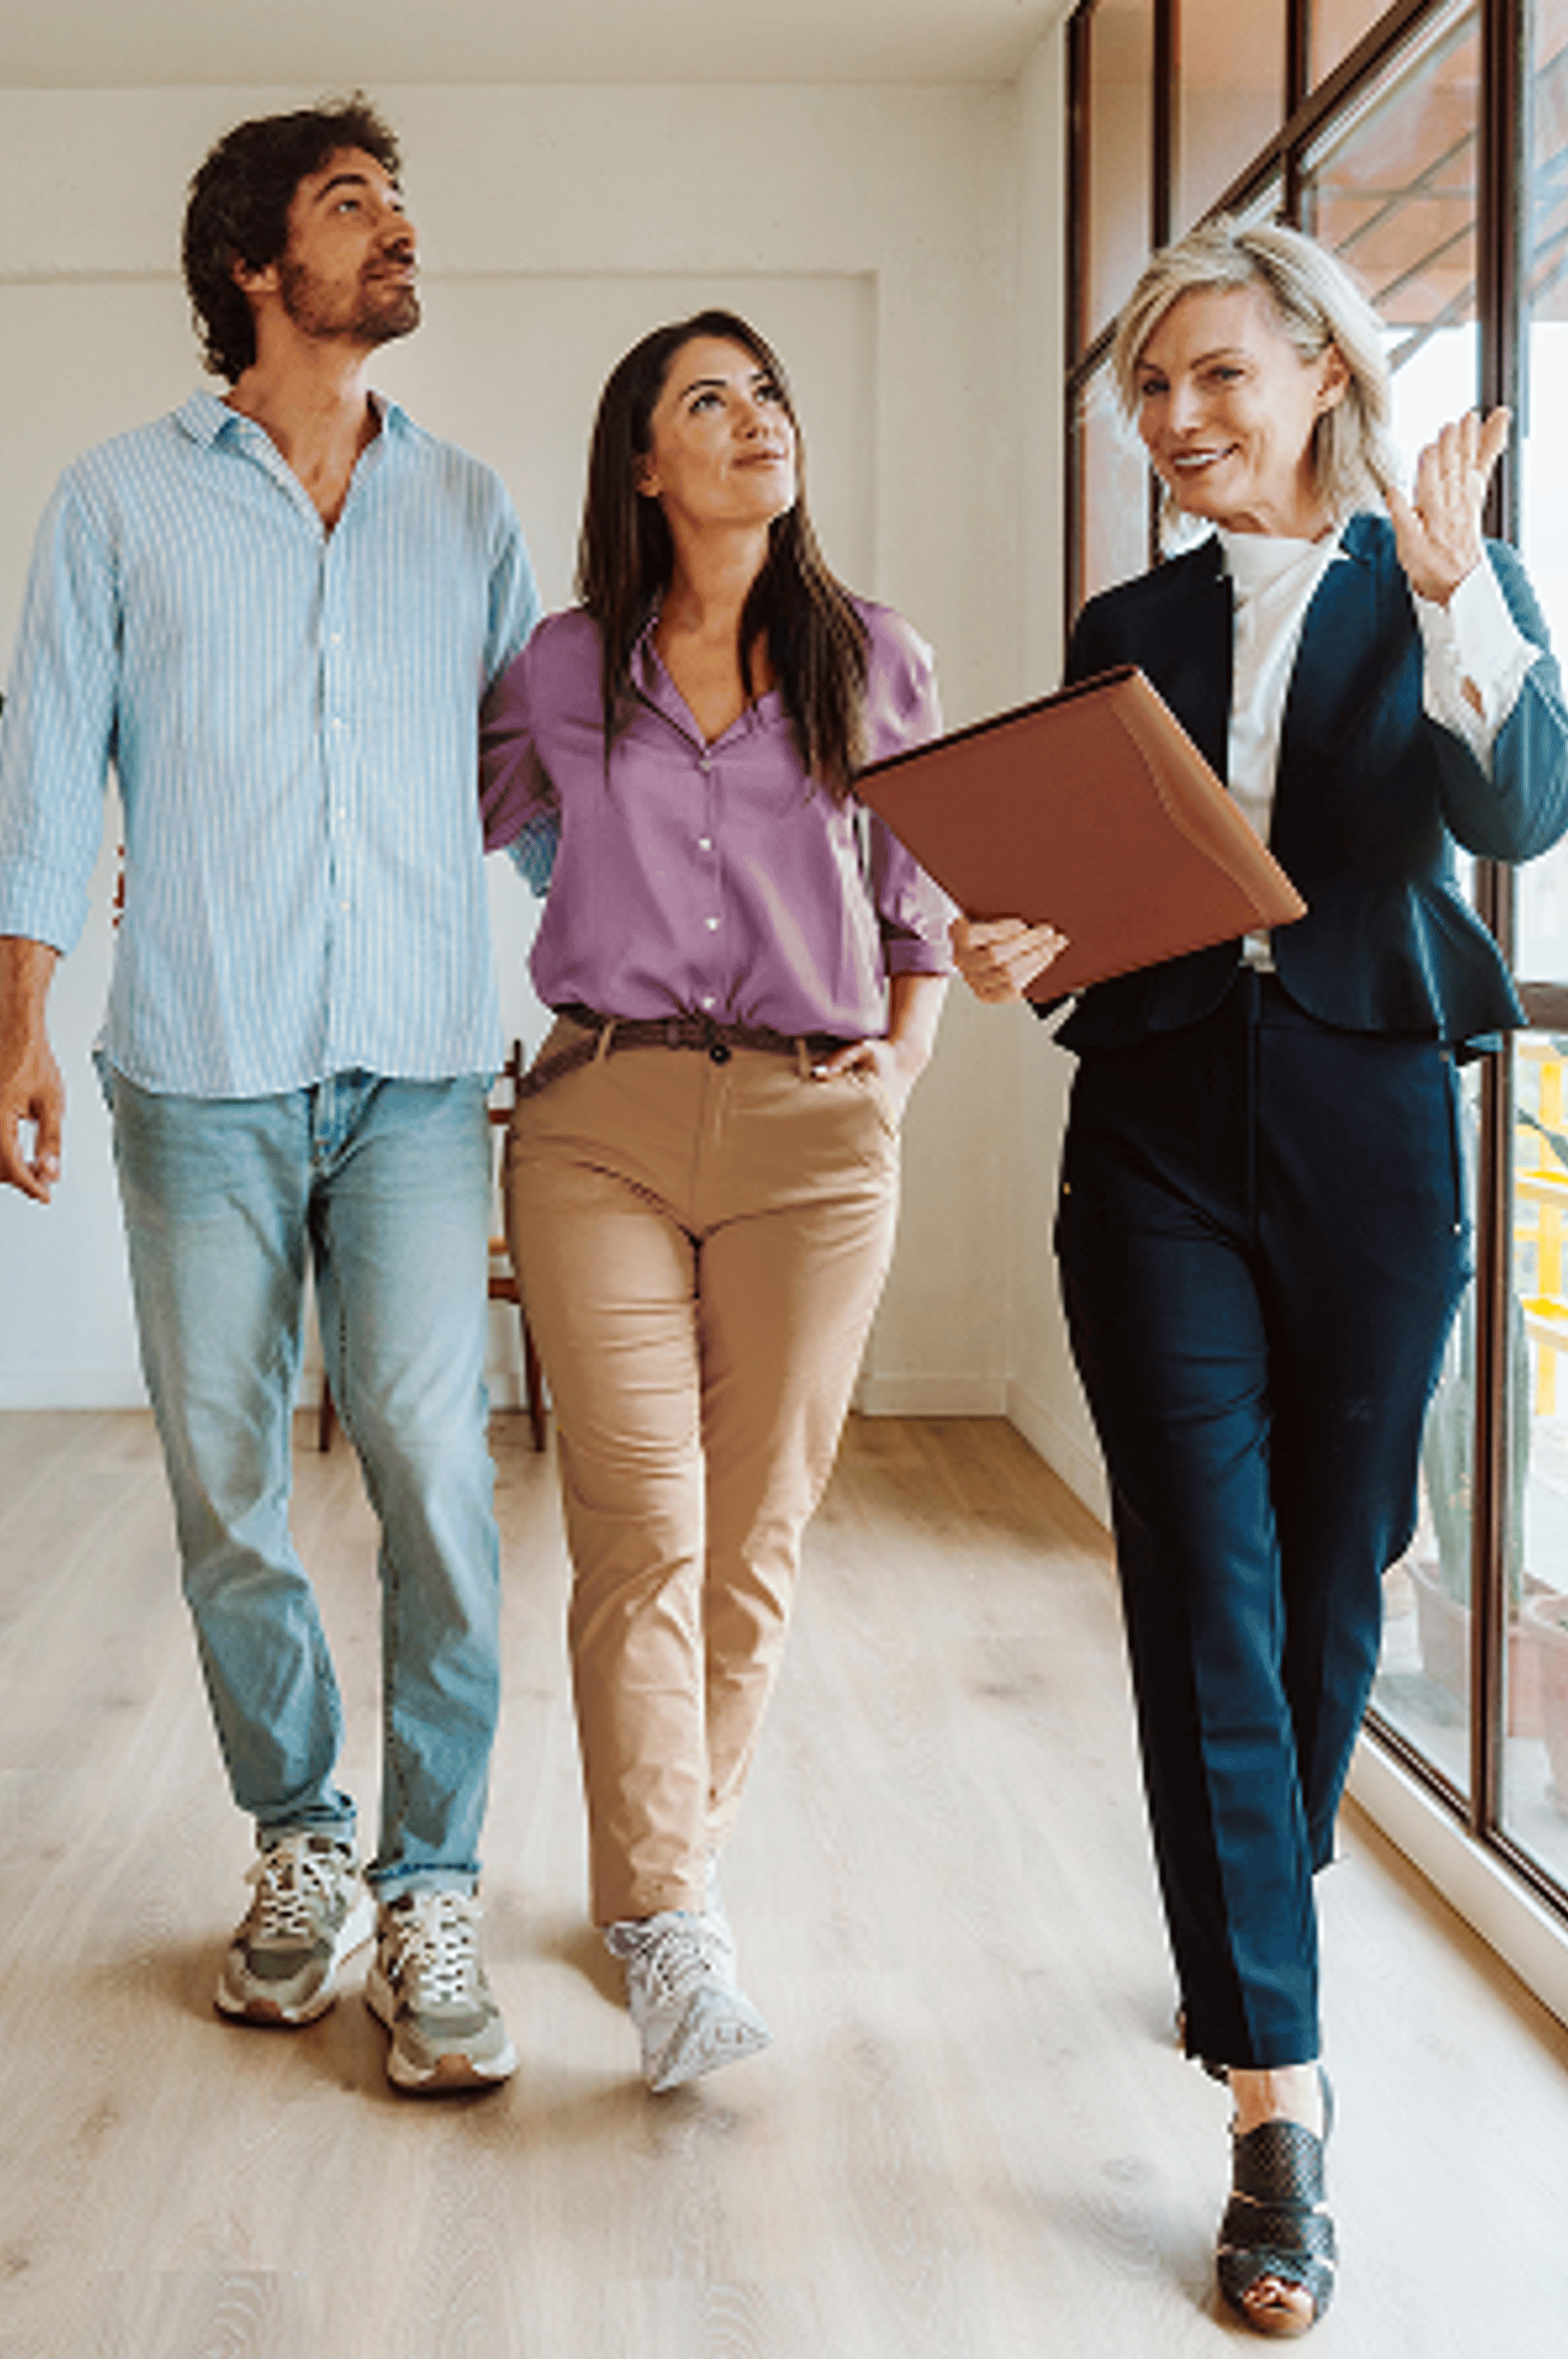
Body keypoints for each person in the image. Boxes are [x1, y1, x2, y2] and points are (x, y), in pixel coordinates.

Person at [953, 219, 1568, 2332]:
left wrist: (1453, 591)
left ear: (1320, 364)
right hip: (1150, 1135)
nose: (1180, 422)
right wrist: (1016, 932)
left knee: (1336, 1575)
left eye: (1217, 375)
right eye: (1153, 391)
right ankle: (1276, 2101)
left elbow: (1535, 807)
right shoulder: (1128, 612)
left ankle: (1253, 1905)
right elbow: (1096, 881)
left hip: (1371, 1127)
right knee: (1201, 1587)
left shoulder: (1435, 582)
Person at [0, 96, 540, 2096]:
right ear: (251, 264)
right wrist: (20, 1023)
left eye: (400, 202)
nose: (395, 234)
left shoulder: (467, 508)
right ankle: (302, 1837)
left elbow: (533, 796)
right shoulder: (120, 499)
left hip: (413, 1068)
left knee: (433, 1470)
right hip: (192, 1070)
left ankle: (435, 1874)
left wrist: (697, 965)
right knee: (226, 1485)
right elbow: (49, 776)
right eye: (351, 204)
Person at [480, 311, 951, 2091]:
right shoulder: (559, 665)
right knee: (640, 1522)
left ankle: (653, 1889)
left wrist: (896, 1074)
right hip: (596, 1113)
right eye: (709, 400)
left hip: (812, 1140)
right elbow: (425, 806)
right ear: (643, 464)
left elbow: (921, 902)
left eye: (769, 392)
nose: (755, 420)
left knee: (750, 1548)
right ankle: (677, 1928)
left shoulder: (869, 656)